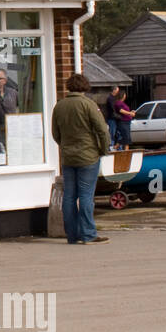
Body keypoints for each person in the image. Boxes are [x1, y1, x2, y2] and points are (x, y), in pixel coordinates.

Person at [51, 72, 111, 244]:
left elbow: (56, 133)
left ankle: (72, 235)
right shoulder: (88, 104)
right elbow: (102, 130)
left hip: (68, 157)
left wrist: (64, 146)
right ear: (85, 86)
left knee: (69, 196)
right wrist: (103, 149)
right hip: (88, 156)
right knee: (85, 196)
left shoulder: (60, 106)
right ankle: (88, 234)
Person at [104, 85, 121, 150]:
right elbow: (112, 109)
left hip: (114, 118)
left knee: (116, 133)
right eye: (117, 90)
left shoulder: (113, 98)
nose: (118, 91)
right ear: (114, 90)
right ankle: (111, 146)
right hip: (112, 118)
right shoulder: (110, 98)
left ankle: (116, 146)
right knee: (112, 133)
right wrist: (119, 116)